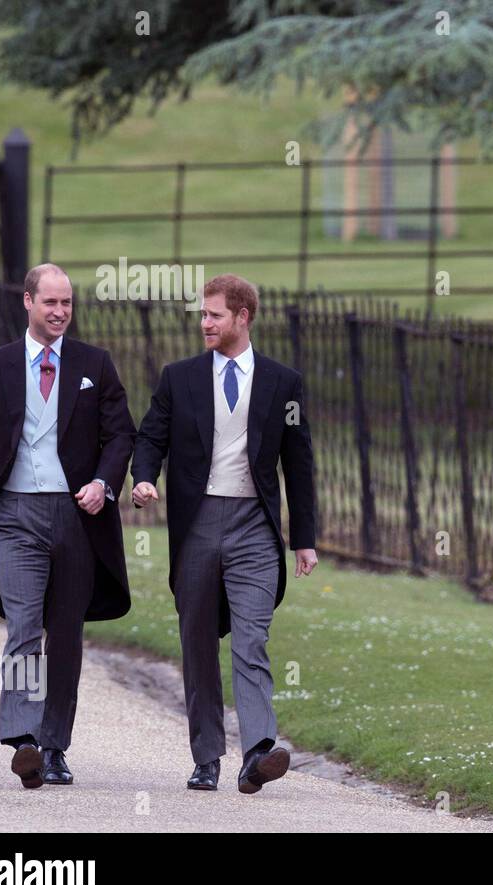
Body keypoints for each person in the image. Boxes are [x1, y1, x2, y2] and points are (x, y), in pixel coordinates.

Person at [0, 263, 136, 787]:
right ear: (27, 302)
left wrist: (104, 483)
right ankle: (24, 738)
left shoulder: (94, 365)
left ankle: (55, 747)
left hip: (78, 518)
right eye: (50, 302)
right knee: (24, 629)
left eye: (67, 304)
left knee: (66, 637)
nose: (59, 312)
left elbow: (121, 435)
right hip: (13, 517)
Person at [131, 273, 317, 794]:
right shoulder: (179, 377)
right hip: (198, 523)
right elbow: (151, 435)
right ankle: (207, 756)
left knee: (252, 638)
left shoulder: (284, 382)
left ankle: (258, 750)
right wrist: (143, 477)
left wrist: (304, 538)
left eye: (214, 314)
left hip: (256, 527)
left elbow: (298, 462)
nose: (205, 323)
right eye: (202, 314)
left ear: (243, 317)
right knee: (196, 640)